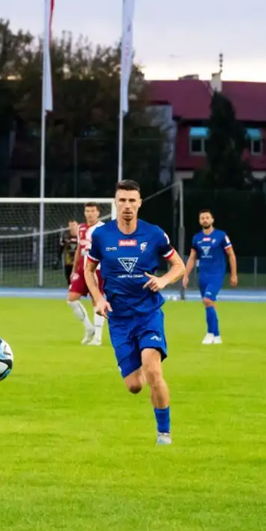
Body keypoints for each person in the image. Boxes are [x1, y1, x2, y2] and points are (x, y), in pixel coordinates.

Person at [85, 180, 186, 445]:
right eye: (122, 200)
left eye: (132, 200)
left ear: (140, 203)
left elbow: (178, 265)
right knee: (135, 386)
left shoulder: (154, 234)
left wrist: (163, 281)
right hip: (118, 319)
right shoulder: (101, 236)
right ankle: (139, 361)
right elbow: (88, 270)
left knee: (154, 372)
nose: (127, 206)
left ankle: (164, 435)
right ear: (115, 203)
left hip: (148, 314)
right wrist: (98, 299)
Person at [182, 209, 238, 344]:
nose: (205, 220)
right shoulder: (197, 238)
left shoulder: (221, 236)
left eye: (207, 217)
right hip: (203, 275)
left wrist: (234, 274)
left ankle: (210, 333)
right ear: (199, 221)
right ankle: (217, 335)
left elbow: (231, 254)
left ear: (212, 220)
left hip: (216, 274)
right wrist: (185, 275)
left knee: (208, 300)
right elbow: (192, 257)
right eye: (202, 218)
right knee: (208, 304)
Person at [67, 202, 107, 345]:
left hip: (97, 268)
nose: (90, 213)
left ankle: (98, 337)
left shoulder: (103, 228)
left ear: (98, 213)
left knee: (96, 300)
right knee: (71, 298)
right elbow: (79, 248)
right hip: (82, 268)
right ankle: (89, 328)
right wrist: (74, 269)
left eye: (92, 211)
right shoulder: (81, 228)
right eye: (87, 211)